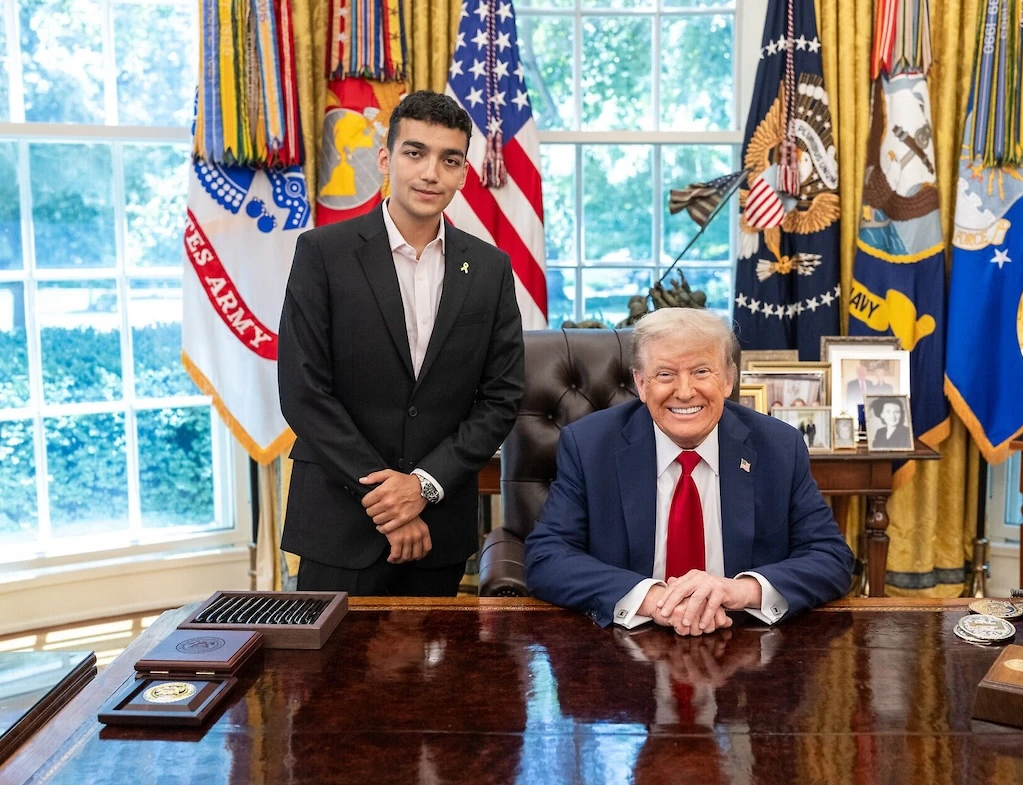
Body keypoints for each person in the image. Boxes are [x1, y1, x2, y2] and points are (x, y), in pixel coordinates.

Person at [277, 91, 524, 596]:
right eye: (415, 153)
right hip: (338, 525)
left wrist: (423, 486)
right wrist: (391, 499)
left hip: (440, 526)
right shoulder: (322, 253)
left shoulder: (490, 268)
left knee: (436, 653)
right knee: (329, 653)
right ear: (386, 159)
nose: (431, 173)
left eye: (449, 160)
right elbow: (303, 392)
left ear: (463, 173)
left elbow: (501, 398)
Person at [524, 308, 854, 635]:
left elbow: (831, 557)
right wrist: (652, 599)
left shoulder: (778, 447)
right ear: (641, 383)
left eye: (701, 371)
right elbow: (547, 557)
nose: (684, 392)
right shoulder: (589, 446)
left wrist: (739, 590)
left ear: (728, 380)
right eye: (665, 374)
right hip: (625, 642)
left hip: (743, 640)